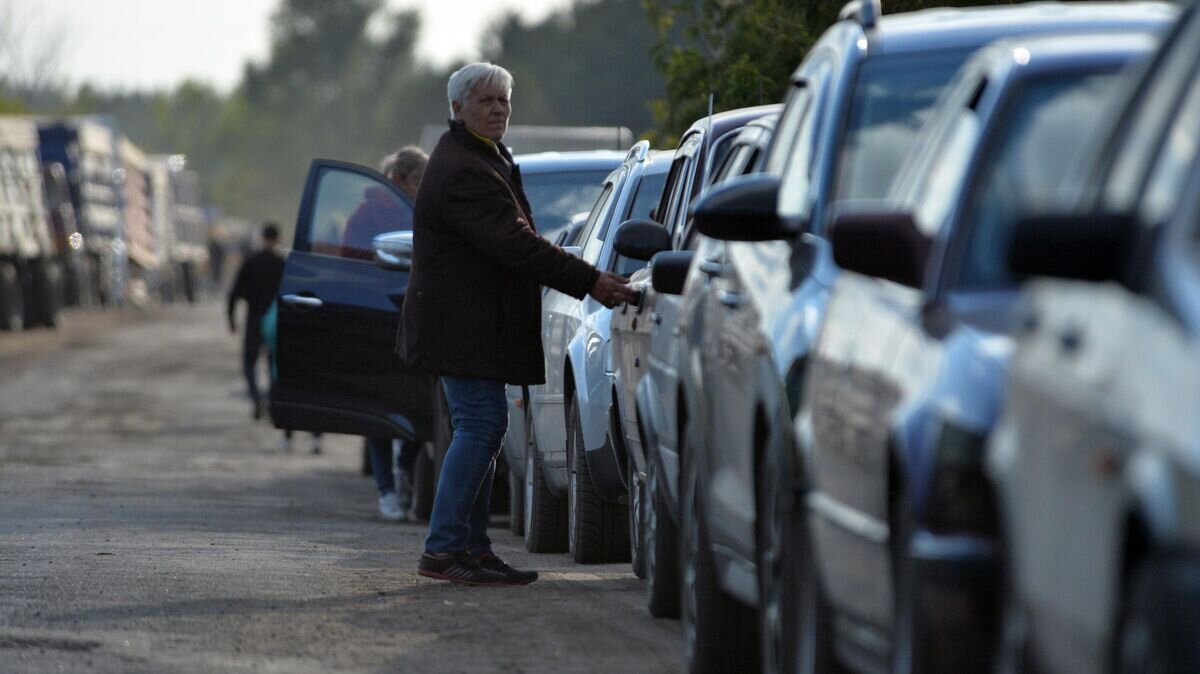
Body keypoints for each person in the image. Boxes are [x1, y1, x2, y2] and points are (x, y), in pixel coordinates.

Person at [398, 62, 638, 585]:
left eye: (504, 100)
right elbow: (514, 242)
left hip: (472, 326)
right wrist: (589, 278)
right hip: (461, 327)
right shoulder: (465, 168)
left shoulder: (484, 156)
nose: (498, 109)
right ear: (457, 109)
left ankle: (472, 548)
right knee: (482, 425)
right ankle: (444, 549)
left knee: (484, 426)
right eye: (486, 100)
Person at [342, 147, 430, 521]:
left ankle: (403, 470)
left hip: (414, 320)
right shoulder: (365, 215)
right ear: (398, 181)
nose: (422, 189)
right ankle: (387, 490)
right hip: (374, 318)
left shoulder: (422, 212)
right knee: (378, 412)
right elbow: (350, 261)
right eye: (418, 183)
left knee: (416, 404)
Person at [227, 223, 286, 419]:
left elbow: (234, 292)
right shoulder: (282, 264)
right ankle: (270, 400)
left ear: (263, 237)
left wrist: (231, 318)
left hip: (254, 320)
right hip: (275, 324)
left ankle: (256, 397)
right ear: (278, 238)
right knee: (273, 366)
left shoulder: (251, 261)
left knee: (249, 364)